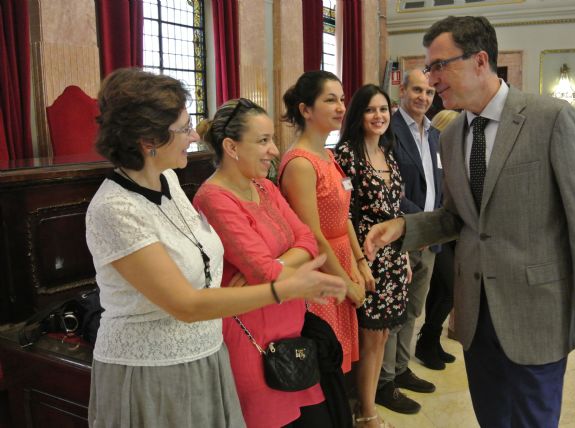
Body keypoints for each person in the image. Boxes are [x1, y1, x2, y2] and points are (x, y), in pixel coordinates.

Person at [364, 16, 575, 428]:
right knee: (492, 419)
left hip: (536, 316)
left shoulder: (549, 119)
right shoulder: (451, 134)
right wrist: (404, 227)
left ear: (481, 60)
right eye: (429, 68)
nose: (433, 77)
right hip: (478, 319)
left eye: (440, 65)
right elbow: (458, 217)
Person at [85, 68, 346, 428]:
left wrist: (240, 276)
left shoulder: (169, 182)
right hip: (153, 370)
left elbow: (210, 261)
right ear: (149, 141)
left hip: (205, 354)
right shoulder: (116, 209)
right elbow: (186, 304)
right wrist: (284, 286)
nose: (194, 135)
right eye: (183, 128)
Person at [192, 98, 332, 428]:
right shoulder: (213, 198)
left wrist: (278, 264)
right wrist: (280, 267)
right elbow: (262, 271)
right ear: (231, 147)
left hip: (290, 324)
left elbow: (309, 241)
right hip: (252, 334)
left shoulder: (265, 186)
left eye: (272, 139)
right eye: (263, 141)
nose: (273, 150)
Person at [278, 70, 372, 376]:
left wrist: (358, 262)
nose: (342, 108)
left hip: (341, 259)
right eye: (330, 100)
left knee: (341, 355)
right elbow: (312, 234)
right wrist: (342, 283)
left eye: (342, 100)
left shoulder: (327, 154)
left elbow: (342, 215)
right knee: (325, 357)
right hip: (321, 267)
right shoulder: (301, 163)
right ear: (305, 110)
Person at [334, 84, 409, 427]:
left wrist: (404, 253)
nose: (378, 116)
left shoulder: (387, 153)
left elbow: (396, 211)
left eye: (384, 109)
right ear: (358, 115)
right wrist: (358, 262)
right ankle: (365, 410)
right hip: (365, 253)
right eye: (370, 110)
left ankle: (368, 405)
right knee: (368, 334)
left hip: (393, 254)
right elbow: (343, 214)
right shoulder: (347, 155)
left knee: (382, 335)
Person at [375, 69, 441, 415]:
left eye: (430, 92)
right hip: (400, 235)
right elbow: (389, 188)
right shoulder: (389, 129)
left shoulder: (434, 134)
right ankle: (385, 381)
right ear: (402, 89)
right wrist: (422, 222)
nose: (424, 98)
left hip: (429, 239)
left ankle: (401, 369)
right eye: (417, 89)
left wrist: (437, 226)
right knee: (393, 313)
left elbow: (438, 183)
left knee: (414, 309)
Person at [414, 109, 461, 371]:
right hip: (436, 226)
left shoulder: (451, 152)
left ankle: (430, 340)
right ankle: (427, 340)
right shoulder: (434, 152)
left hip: (453, 229)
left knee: (444, 289)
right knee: (449, 287)